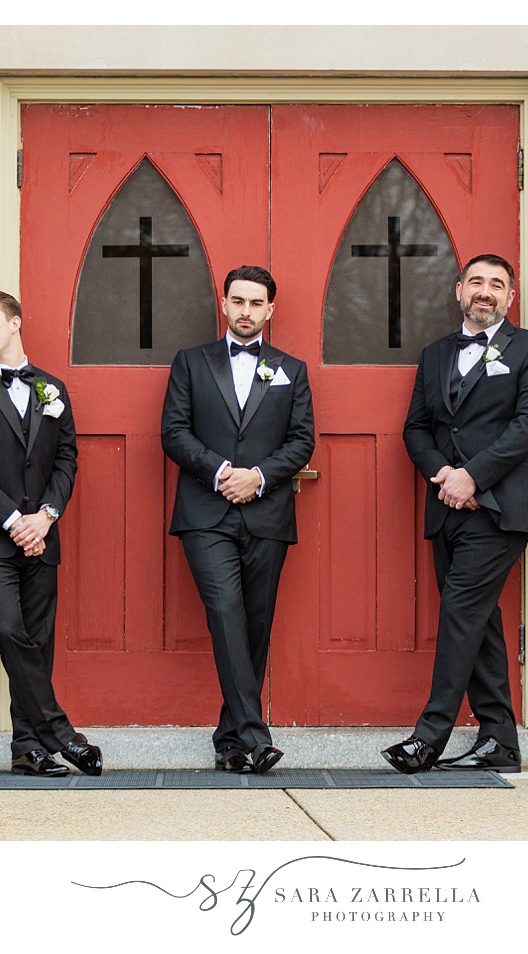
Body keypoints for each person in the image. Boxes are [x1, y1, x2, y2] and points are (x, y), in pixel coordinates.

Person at [382, 254, 528, 775]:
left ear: (510, 297)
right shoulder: (435, 354)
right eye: (476, 281)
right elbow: (416, 428)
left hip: (500, 508)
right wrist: (445, 476)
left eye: (497, 284)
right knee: (478, 619)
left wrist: (473, 477)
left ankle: (429, 736)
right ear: (459, 290)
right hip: (447, 505)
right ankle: (499, 738)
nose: (486, 291)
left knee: (460, 611)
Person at [0, 289, 103, 778]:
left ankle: (28, 748)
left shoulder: (52, 388)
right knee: (8, 631)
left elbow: (67, 457)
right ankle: (60, 733)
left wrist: (47, 515)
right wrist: (14, 521)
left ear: (15, 323)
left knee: (37, 639)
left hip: (41, 533)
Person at [160, 267, 315, 774]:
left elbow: (301, 440)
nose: (246, 310)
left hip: (267, 515)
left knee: (254, 626)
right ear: (224, 305)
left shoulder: (292, 368)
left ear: (271, 310)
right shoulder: (191, 362)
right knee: (225, 611)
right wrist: (224, 472)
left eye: (256, 303)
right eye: (237, 301)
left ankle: (231, 741)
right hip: (206, 513)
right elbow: (174, 432)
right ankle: (255, 734)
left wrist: (260, 477)